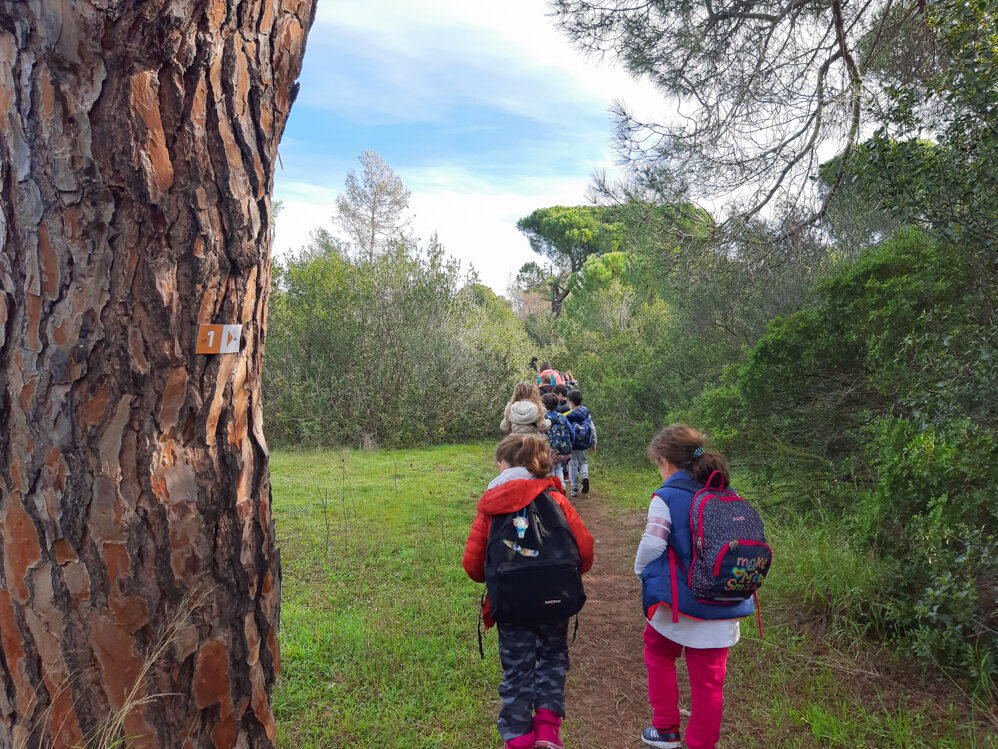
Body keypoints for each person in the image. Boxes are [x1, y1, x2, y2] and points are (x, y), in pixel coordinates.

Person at [463, 435, 595, 749]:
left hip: (511, 607)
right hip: (555, 601)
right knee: (552, 659)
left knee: (517, 670)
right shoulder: (556, 497)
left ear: (502, 465)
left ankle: (519, 738)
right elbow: (585, 553)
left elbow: (473, 567)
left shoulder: (491, 506)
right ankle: (548, 731)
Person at [635, 425, 753, 749]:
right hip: (724, 606)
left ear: (665, 461)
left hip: (678, 608)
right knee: (710, 684)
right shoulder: (727, 494)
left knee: (658, 652)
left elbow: (652, 545)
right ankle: (702, 743)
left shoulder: (667, 497)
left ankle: (666, 730)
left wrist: (640, 570)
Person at [564, 390, 597, 497]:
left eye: (567, 401)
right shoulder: (586, 412)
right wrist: (594, 443)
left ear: (572, 403)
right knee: (583, 462)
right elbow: (592, 428)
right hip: (584, 444)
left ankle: (574, 488)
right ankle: (584, 477)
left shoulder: (568, 415)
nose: (567, 404)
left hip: (573, 444)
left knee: (573, 464)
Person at [541, 393, 574, 486]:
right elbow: (572, 432)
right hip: (564, 451)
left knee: (549, 470)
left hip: (549, 451)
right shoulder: (562, 416)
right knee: (558, 467)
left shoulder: (543, 418)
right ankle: (562, 486)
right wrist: (570, 444)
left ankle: (553, 489)